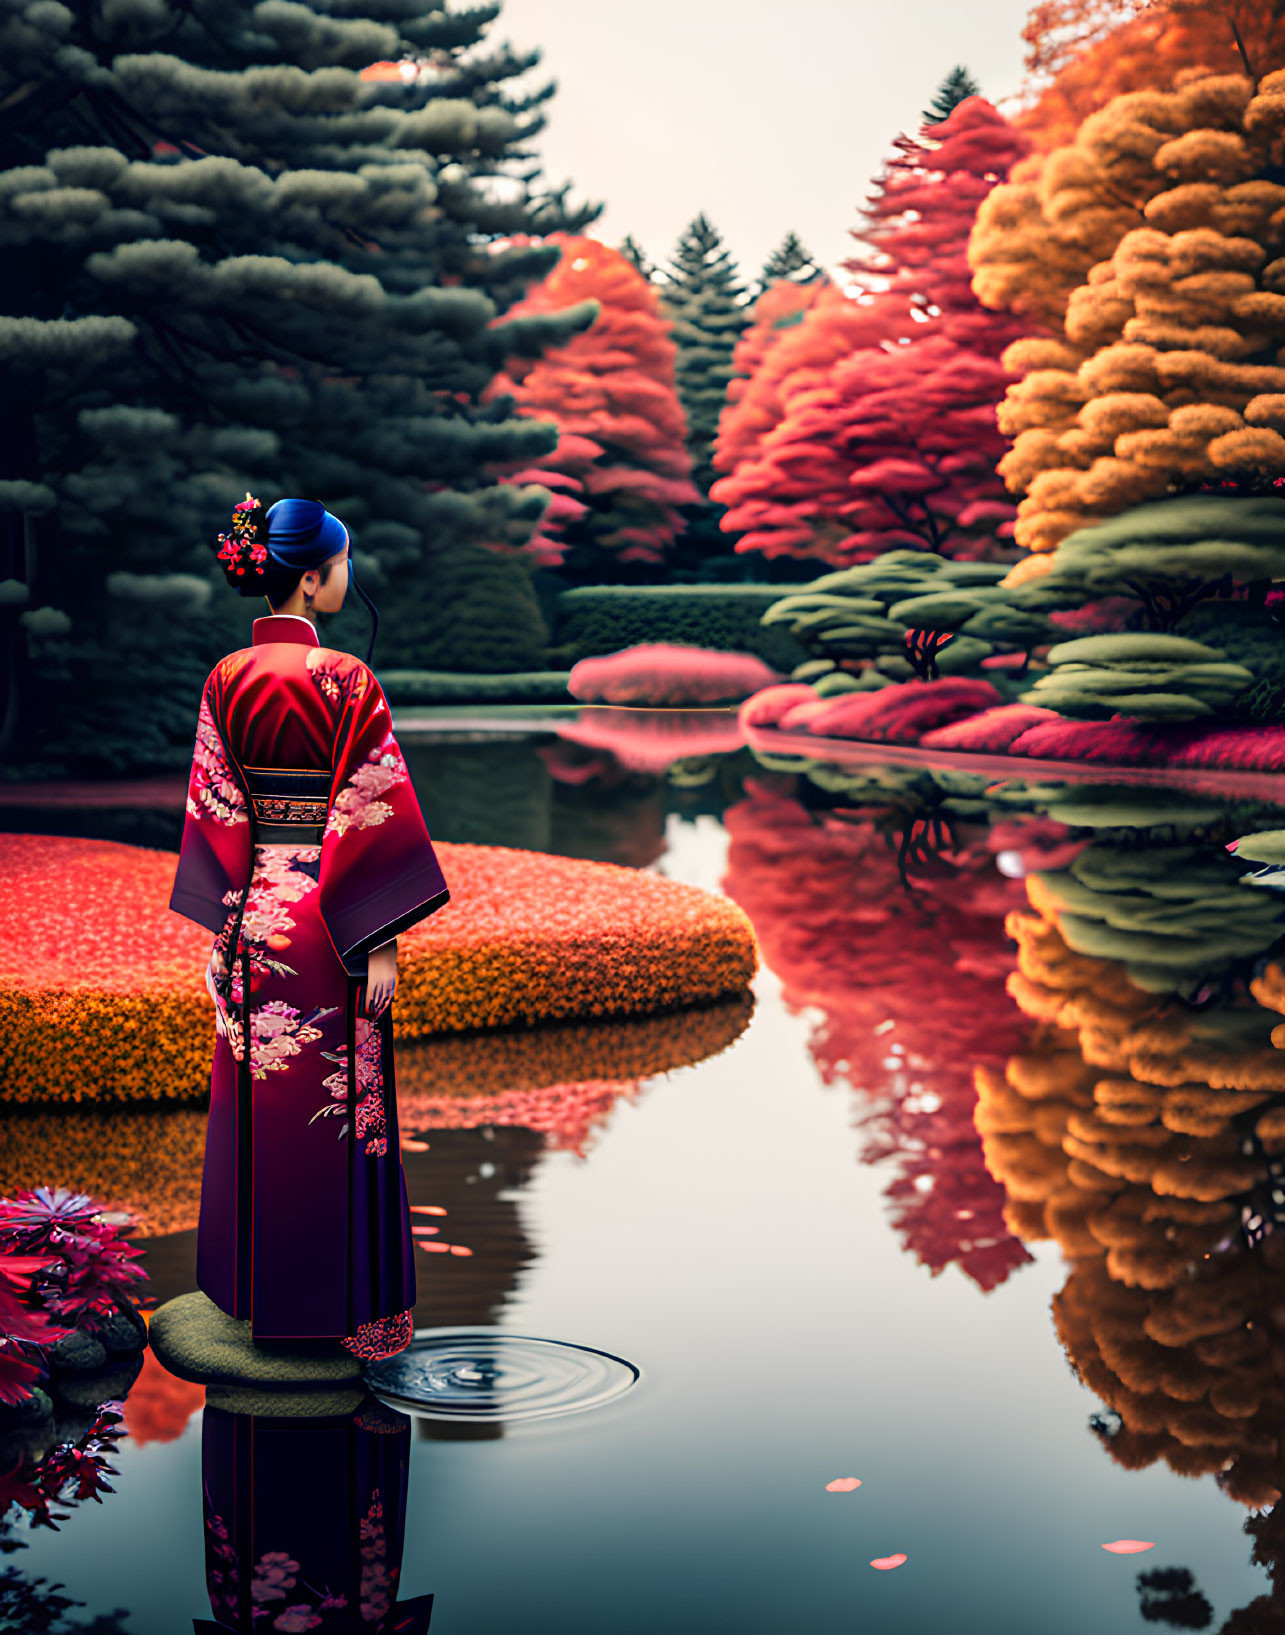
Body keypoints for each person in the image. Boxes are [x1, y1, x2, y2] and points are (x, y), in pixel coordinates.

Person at [170, 495, 448, 1360]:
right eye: (342, 565)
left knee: (262, 1109)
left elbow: (214, 807)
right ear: (313, 576)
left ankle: (256, 1298)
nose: (347, 578)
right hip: (332, 922)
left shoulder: (225, 676)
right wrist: (381, 936)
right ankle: (340, 1306)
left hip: (255, 912)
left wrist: (224, 927)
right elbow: (372, 811)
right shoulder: (348, 682)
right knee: (347, 1110)